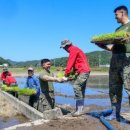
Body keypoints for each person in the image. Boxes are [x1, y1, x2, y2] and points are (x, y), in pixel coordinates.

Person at [95, 5, 130, 121]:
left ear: (122, 13)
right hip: (115, 60)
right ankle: (115, 114)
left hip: (127, 60)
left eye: (116, 15)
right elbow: (113, 48)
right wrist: (103, 46)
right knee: (114, 89)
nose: (115, 17)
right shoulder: (117, 30)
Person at [60, 40, 91, 116]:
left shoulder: (73, 50)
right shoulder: (76, 49)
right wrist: (72, 74)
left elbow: (70, 63)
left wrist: (65, 76)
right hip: (83, 71)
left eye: (64, 48)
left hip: (83, 71)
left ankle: (79, 110)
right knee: (81, 89)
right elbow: (75, 65)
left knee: (76, 86)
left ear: (65, 46)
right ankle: (79, 109)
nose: (64, 50)